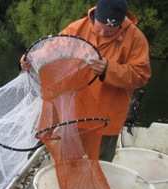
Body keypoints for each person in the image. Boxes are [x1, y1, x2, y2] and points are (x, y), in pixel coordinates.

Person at [20, 0, 151, 162]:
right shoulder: (77, 28)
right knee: (68, 163)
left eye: (110, 32)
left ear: (121, 24)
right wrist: (31, 58)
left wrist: (108, 69)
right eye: (100, 28)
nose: (103, 34)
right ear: (94, 16)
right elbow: (52, 49)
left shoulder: (136, 39)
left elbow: (141, 75)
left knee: (100, 165)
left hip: (106, 120)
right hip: (73, 115)